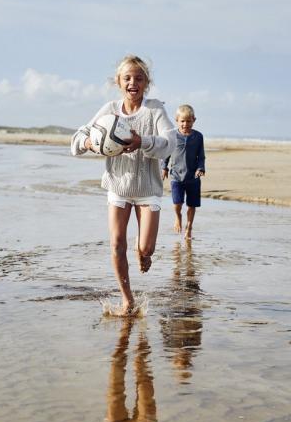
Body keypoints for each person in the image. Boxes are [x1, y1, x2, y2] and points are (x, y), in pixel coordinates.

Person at [71, 55, 176, 315]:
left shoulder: (154, 110)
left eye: (139, 78)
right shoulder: (109, 110)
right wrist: (88, 143)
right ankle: (127, 299)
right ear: (118, 82)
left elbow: (171, 142)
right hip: (118, 187)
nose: (133, 83)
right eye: (127, 78)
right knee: (117, 245)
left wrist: (143, 142)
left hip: (148, 190)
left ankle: (145, 253)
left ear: (146, 83)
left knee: (145, 247)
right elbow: (78, 138)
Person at [161, 104, 205, 239]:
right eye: (182, 121)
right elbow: (167, 153)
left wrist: (201, 168)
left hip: (193, 177)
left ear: (194, 120)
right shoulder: (173, 135)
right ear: (177, 120)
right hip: (176, 176)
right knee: (177, 203)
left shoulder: (198, 136)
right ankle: (178, 217)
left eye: (189, 121)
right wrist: (164, 167)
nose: (185, 124)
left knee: (192, 205)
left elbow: (201, 155)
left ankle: (189, 227)